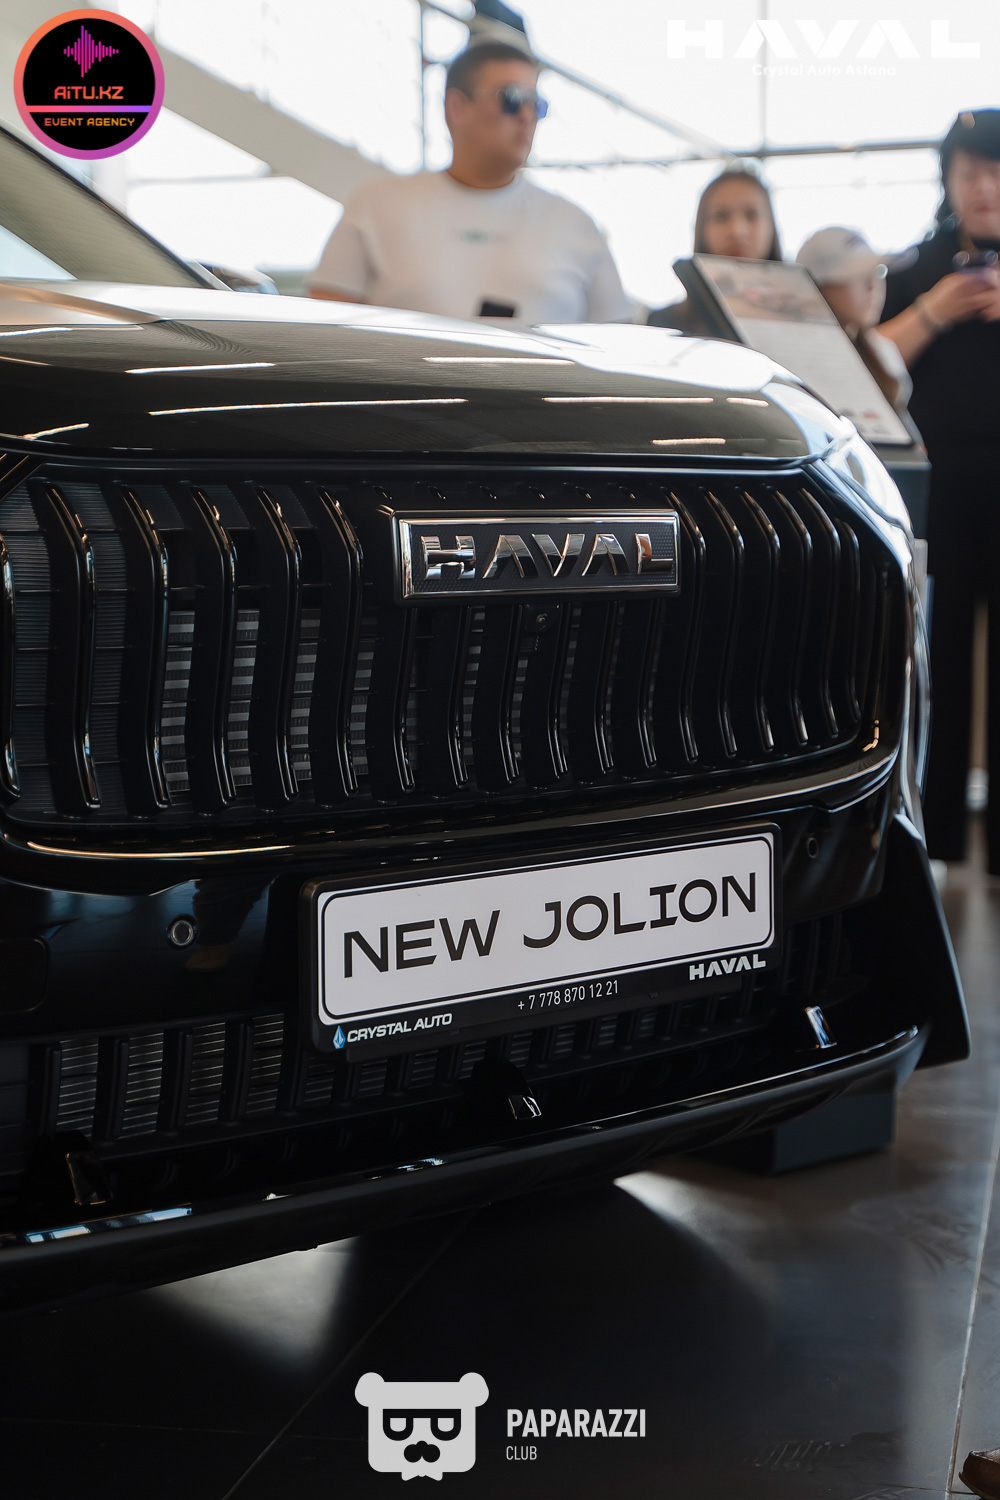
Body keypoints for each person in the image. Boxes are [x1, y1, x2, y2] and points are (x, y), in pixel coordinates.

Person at [877, 110, 1000, 874]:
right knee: (936, 658)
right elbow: (871, 361)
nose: (984, 186)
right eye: (969, 171)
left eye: (995, 170)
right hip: (939, 487)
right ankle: (938, 843)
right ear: (948, 179)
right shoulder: (918, 267)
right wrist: (935, 309)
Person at [308, 41, 630, 325]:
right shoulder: (375, 205)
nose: (527, 115)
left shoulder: (576, 225)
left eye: (537, 103)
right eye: (512, 98)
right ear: (456, 108)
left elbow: (619, 345)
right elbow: (326, 335)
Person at [648, 167, 782, 332]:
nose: (737, 231)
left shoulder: (805, 321)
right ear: (701, 227)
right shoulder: (665, 323)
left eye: (751, 215)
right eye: (721, 216)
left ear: (771, 225)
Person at [795, 226, 911, 415]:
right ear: (817, 286)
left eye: (878, 271)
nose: (872, 285)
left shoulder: (884, 351)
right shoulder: (796, 357)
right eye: (855, 275)